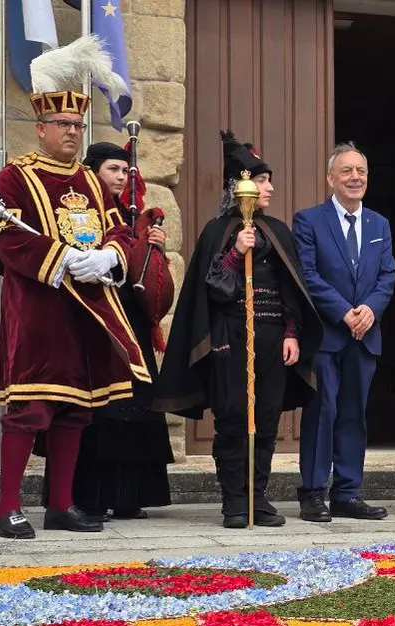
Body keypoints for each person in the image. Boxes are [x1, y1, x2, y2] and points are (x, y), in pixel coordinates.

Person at [0, 36, 150, 539]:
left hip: (88, 311)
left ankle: (61, 505)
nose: (73, 133)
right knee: (29, 409)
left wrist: (109, 256)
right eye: (64, 125)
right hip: (38, 310)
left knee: (76, 411)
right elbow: (4, 236)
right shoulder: (15, 177)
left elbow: (119, 230)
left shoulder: (91, 181)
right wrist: (60, 259)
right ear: (41, 127)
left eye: (78, 126)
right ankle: (7, 508)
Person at [155, 131, 321, 528]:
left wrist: (292, 332)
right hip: (230, 337)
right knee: (232, 418)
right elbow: (210, 290)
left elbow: (292, 289)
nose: (270, 188)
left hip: (273, 338)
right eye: (262, 180)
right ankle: (234, 502)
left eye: (269, 180)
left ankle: (257, 498)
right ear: (239, 187)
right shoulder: (218, 231)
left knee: (266, 420)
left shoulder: (278, 231)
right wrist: (235, 254)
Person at [36, 141, 174, 520]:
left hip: (131, 321)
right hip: (92, 319)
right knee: (96, 411)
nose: (121, 177)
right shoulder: (77, 211)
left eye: (125, 171)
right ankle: (86, 497)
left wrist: (153, 249)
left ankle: (128, 496)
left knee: (134, 408)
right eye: (113, 169)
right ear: (93, 171)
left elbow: (150, 283)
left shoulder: (134, 217)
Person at [293, 143, 395, 522]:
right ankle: (313, 493)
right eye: (347, 171)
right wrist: (343, 312)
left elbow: (388, 274)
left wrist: (369, 309)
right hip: (326, 335)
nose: (355, 178)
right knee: (323, 411)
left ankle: (347, 493)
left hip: (364, 335)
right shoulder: (309, 220)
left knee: (354, 414)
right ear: (330, 179)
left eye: (361, 171)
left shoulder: (379, 224)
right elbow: (307, 274)